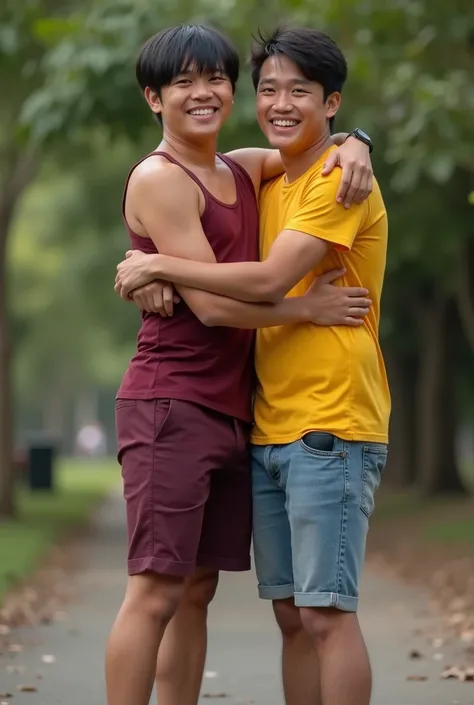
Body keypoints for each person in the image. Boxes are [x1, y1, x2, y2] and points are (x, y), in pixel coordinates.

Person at [115, 26, 390, 705]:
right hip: (190, 404)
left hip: (280, 413)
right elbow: (210, 303)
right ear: (154, 98)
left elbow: (307, 156)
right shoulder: (190, 177)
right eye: (182, 82)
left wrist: (360, 139)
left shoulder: (260, 172)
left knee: (227, 595)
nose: (203, 93)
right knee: (173, 592)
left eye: (215, 79)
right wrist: (142, 261)